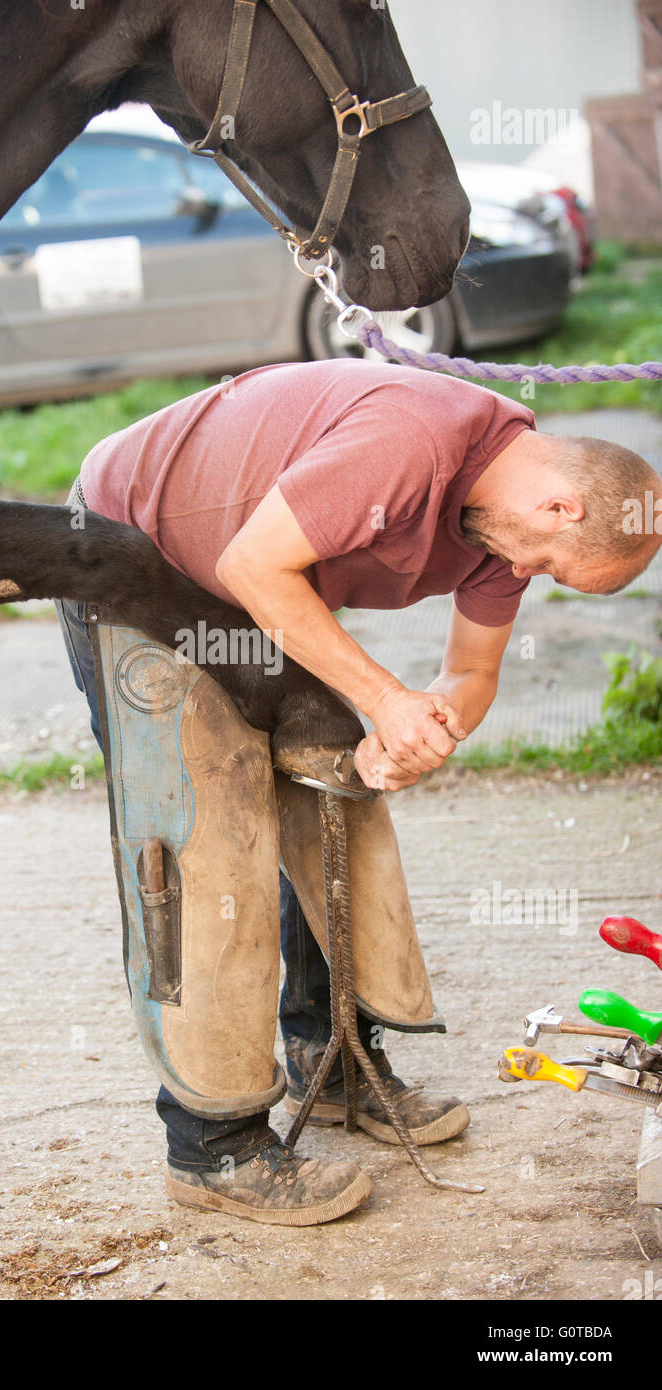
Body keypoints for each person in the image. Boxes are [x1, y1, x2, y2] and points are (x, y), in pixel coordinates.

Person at [57, 358, 662, 1226]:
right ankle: (211, 1147)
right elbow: (255, 566)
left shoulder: (504, 525)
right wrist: (383, 697)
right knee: (204, 838)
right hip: (133, 547)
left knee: (336, 784)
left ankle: (331, 1062)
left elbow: (469, 670)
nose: (534, 574)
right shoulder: (411, 438)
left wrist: (423, 731)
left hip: (250, 578)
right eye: (554, 564)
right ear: (559, 507)